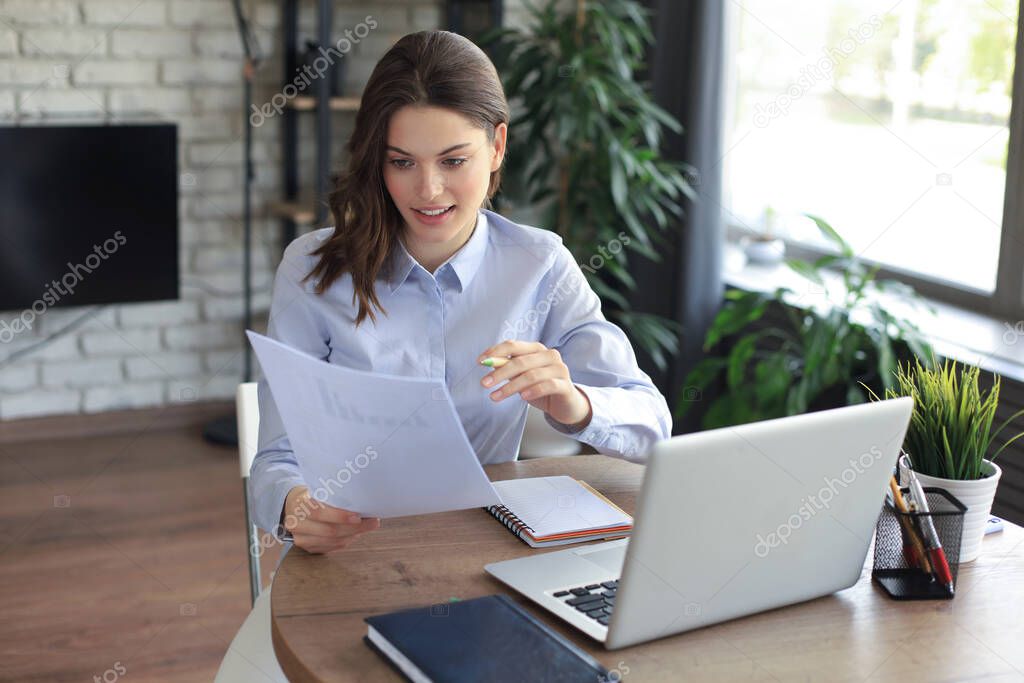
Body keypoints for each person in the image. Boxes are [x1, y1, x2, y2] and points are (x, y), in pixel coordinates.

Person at [250, 30, 672, 555]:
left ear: (496, 147)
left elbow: (653, 425)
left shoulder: (539, 265)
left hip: (487, 548)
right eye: (401, 161)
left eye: (453, 161)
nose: (427, 191)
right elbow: (275, 461)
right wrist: (294, 507)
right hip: (353, 549)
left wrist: (574, 402)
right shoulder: (313, 270)